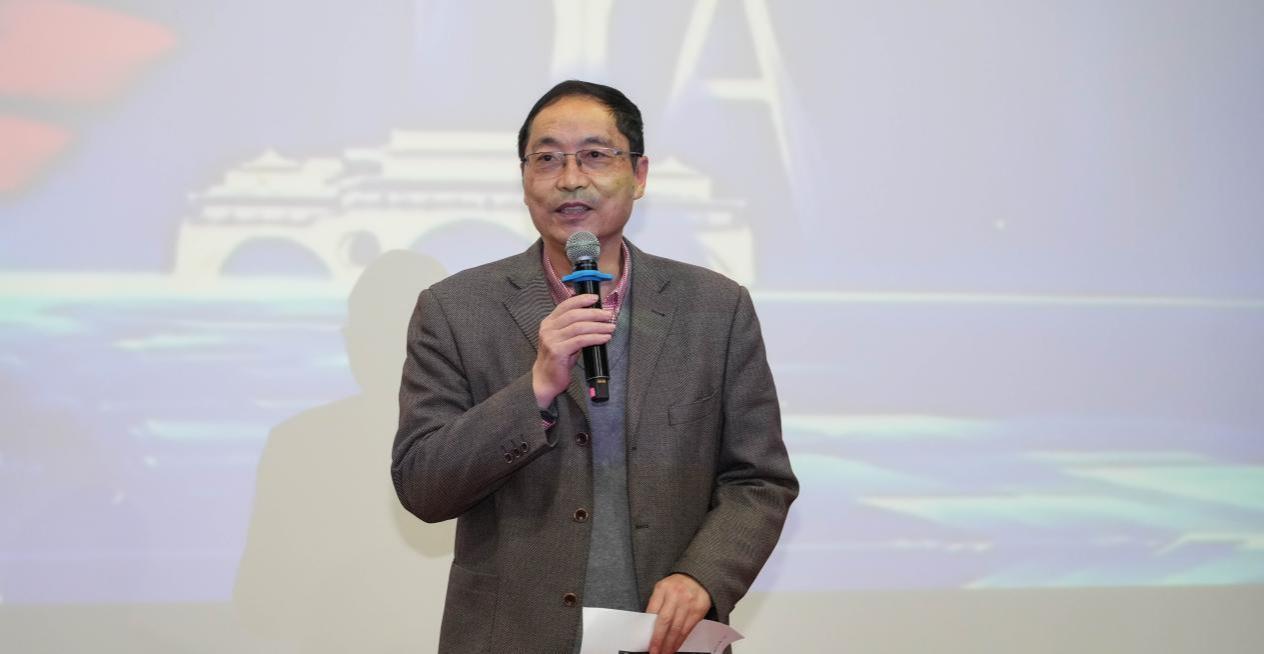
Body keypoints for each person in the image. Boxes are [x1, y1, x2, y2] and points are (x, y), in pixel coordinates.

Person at [392, 80, 797, 654]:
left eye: (595, 155)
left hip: (665, 640)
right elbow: (422, 488)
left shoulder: (715, 307)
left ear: (639, 174)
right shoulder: (455, 310)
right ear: (524, 179)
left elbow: (759, 479)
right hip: (512, 638)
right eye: (547, 159)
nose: (570, 179)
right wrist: (535, 389)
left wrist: (702, 577)